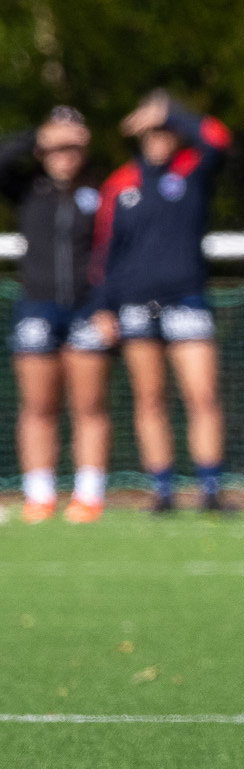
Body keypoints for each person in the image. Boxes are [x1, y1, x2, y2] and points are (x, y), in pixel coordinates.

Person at [94, 91, 233, 514]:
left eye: (166, 130)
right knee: (150, 397)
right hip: (139, 304)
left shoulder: (192, 169)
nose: (159, 138)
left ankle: (210, 489)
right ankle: (163, 491)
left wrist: (173, 111)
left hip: (184, 299)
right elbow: (106, 253)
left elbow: (219, 139)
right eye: (152, 130)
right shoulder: (120, 184)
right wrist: (104, 306)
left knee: (201, 392)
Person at [3, 107, 112, 522]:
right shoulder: (28, 187)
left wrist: (106, 306)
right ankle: (39, 495)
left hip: (89, 308)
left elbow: (115, 253)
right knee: (37, 406)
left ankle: (88, 495)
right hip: (38, 306)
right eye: (57, 146)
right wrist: (36, 134)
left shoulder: (102, 189)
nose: (65, 154)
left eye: (73, 146)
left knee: (89, 405)